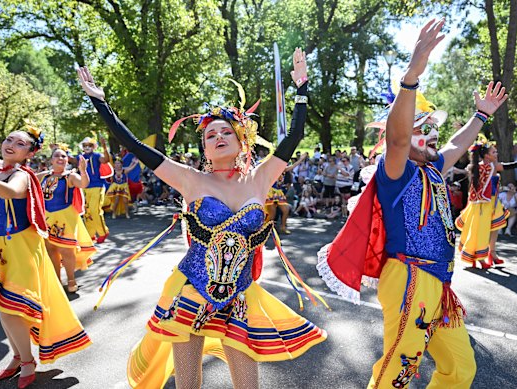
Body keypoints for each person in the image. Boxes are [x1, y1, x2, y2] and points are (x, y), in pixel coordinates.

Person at [78, 47, 326, 389]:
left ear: (242, 141)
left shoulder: (261, 177)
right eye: (211, 135)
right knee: (188, 384)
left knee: (247, 384)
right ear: (205, 149)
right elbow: (135, 146)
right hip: (190, 291)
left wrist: (301, 87)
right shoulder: (189, 179)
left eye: (226, 132)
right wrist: (100, 102)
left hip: (240, 297)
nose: (218, 137)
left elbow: (294, 136)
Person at [317, 19, 508, 389]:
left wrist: (481, 115)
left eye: (433, 128)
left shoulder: (434, 168)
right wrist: (411, 76)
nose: (433, 134)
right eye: (425, 128)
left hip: (439, 282)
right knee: (400, 368)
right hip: (408, 276)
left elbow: (456, 145)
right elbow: (399, 138)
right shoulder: (397, 172)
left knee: (460, 366)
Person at [0, 124, 91, 388]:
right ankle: (19, 356)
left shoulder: (23, 175)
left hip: (20, 246)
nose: (11, 145)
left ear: (29, 153)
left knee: (9, 309)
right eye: (9, 140)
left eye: (20, 144)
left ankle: (27, 360)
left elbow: (12, 193)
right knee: (2, 306)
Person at [455, 141, 517, 268]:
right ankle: (480, 256)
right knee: (482, 230)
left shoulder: (475, 166)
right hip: (485, 204)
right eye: (494, 152)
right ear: (487, 156)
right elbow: (510, 166)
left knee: (494, 228)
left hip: (490, 202)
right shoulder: (491, 166)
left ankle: (492, 253)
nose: (497, 153)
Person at [38, 148, 96, 292]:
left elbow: (83, 184)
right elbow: (25, 181)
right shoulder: (43, 176)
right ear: (51, 160)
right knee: (51, 250)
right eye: (56, 155)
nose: (60, 158)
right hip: (46, 218)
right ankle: (57, 281)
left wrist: (83, 170)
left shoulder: (70, 176)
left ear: (67, 160)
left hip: (65, 218)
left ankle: (71, 280)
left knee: (67, 251)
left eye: (63, 156)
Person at [80, 136, 111, 242]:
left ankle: (103, 232)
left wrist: (104, 146)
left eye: (89, 145)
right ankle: (90, 233)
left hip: (97, 186)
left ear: (93, 147)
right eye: (85, 145)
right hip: (85, 187)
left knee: (95, 210)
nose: (87, 147)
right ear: (82, 147)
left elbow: (106, 160)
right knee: (87, 212)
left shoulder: (97, 155)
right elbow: (69, 160)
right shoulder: (81, 157)